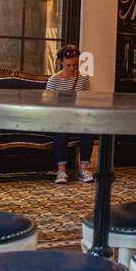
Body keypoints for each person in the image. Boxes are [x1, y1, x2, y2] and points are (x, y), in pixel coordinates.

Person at [47, 44, 93, 184]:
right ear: (61, 62)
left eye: (75, 65)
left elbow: (86, 100)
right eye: (69, 65)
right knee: (61, 129)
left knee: (89, 129)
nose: (72, 68)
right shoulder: (54, 80)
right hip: (60, 116)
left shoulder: (83, 78)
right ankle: (61, 171)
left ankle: (83, 169)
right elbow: (49, 105)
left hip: (78, 116)